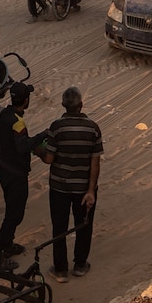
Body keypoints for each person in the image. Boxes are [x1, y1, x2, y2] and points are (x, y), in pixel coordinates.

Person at [37, 87, 103, 281]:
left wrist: (38, 151)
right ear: (81, 104)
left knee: (59, 227)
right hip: (83, 188)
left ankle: (60, 270)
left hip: (59, 187)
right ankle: (80, 265)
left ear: (63, 105)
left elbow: (49, 159)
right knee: (83, 225)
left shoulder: (56, 127)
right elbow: (95, 163)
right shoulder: (93, 128)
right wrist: (91, 190)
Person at [0, 82, 36, 264]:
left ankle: (8, 244)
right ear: (26, 100)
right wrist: (41, 136)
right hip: (15, 174)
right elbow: (23, 146)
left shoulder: (4, 115)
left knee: (11, 209)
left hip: (4, 169)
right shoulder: (18, 123)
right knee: (14, 215)